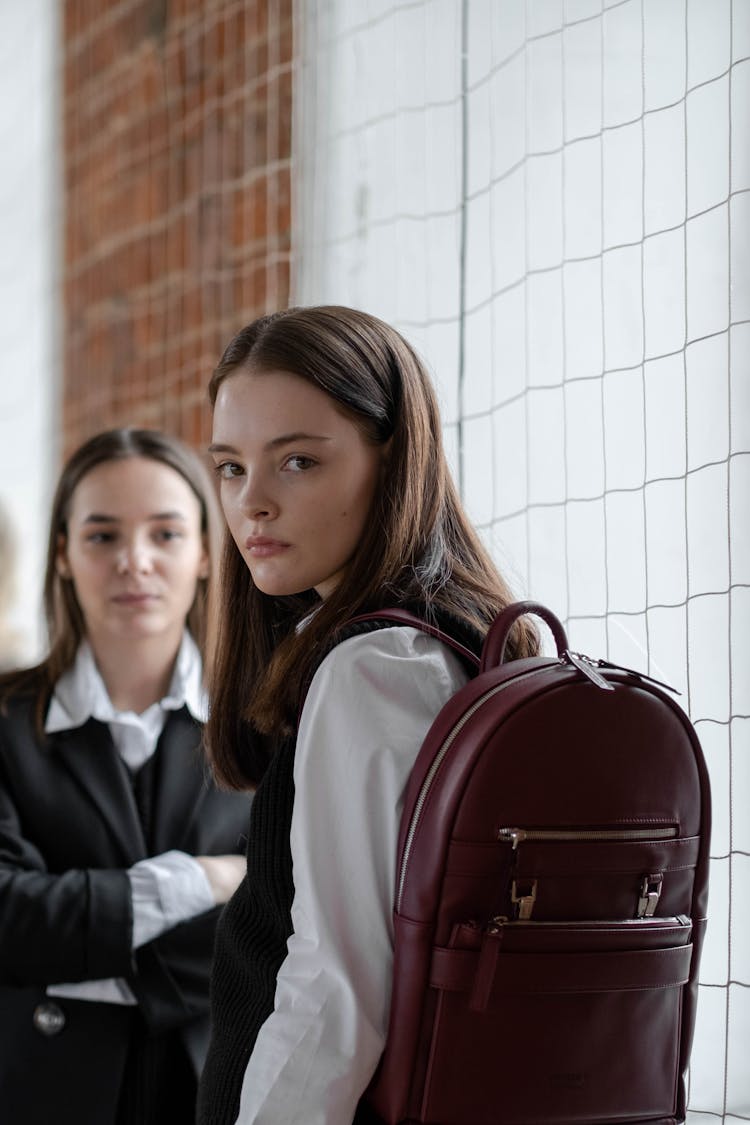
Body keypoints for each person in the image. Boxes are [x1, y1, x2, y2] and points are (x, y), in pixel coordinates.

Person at [196, 306, 538, 1125]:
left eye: (299, 462)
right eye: (231, 468)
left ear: (392, 461)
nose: (254, 504)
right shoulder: (468, 635)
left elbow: (336, 992)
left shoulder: (372, 667)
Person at [0, 428, 252, 1125]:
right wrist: (202, 880)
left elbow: (287, 923)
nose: (133, 562)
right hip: (39, 1092)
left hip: (218, 1089)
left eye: (165, 534)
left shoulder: (268, 723)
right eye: (103, 536)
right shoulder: (4, 720)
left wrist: (68, 947)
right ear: (63, 555)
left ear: (205, 551)